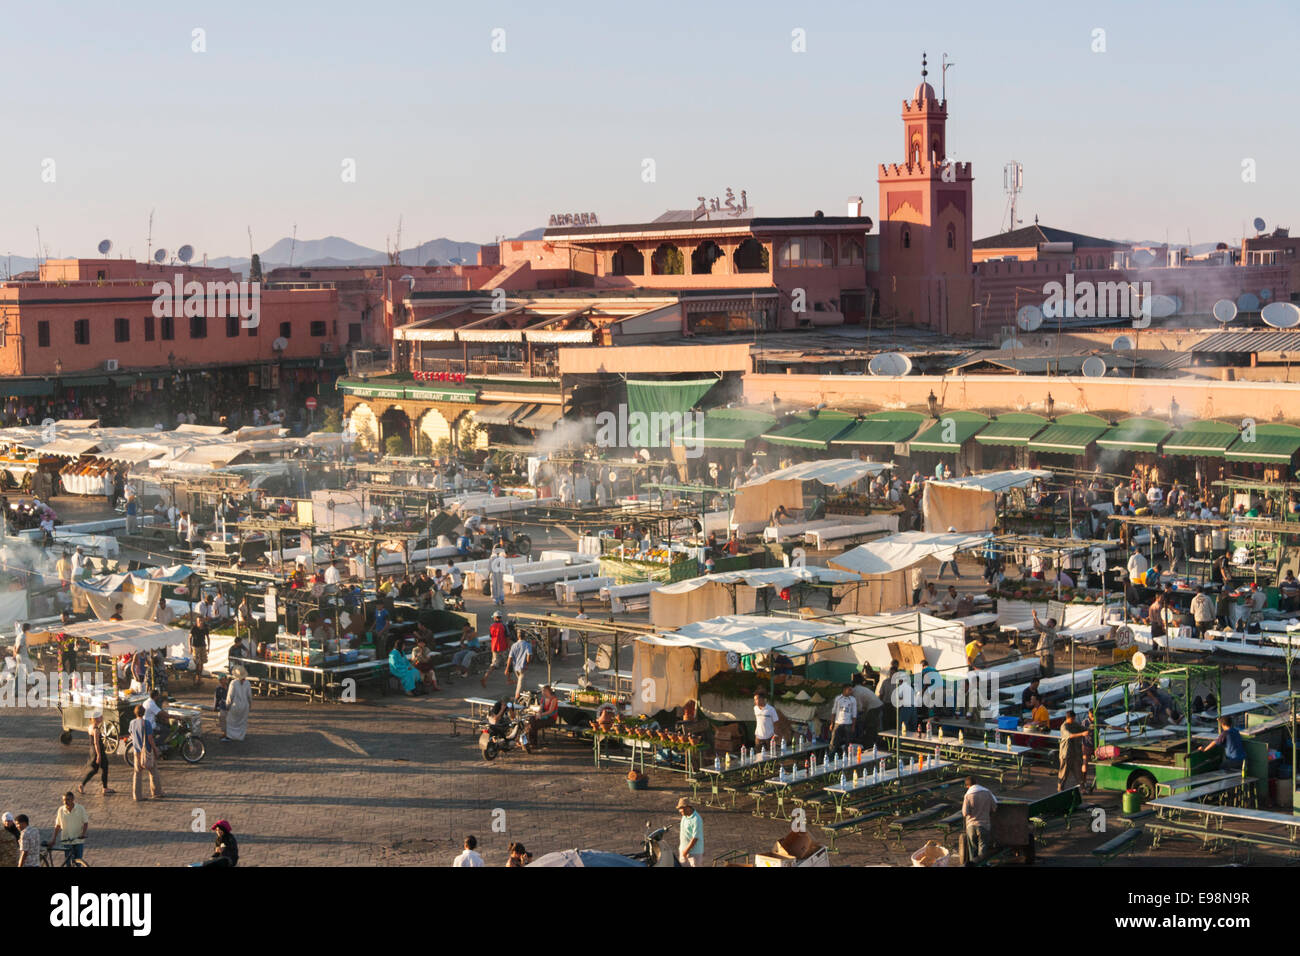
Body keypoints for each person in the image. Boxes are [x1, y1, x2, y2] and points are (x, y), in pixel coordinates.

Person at [128, 704, 162, 801]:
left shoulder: (132, 723)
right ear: (144, 713)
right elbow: (150, 738)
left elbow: (131, 733)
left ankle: (137, 795)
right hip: (146, 751)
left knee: (137, 773)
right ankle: (156, 792)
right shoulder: (146, 723)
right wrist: (155, 749)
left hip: (136, 751)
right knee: (153, 770)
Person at [961, 776, 997, 865]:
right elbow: (994, 808)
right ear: (976, 782)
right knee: (983, 849)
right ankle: (982, 864)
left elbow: (965, 813)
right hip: (984, 825)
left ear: (967, 786)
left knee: (973, 850)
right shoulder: (987, 792)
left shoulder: (968, 795)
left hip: (971, 826)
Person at [50, 791, 89, 867]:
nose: (65, 802)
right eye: (64, 800)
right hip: (66, 840)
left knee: (78, 862)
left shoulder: (80, 808)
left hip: (78, 840)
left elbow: (85, 822)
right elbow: (58, 825)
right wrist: (54, 838)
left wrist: (83, 834)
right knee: (68, 863)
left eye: (67, 800)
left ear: (73, 799)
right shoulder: (61, 810)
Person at [78, 714, 113, 796]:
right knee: (104, 767)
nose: (102, 717)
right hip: (98, 751)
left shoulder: (90, 726)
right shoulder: (96, 730)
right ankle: (105, 788)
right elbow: (96, 743)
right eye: (100, 717)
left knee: (95, 769)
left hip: (92, 750)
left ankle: (83, 785)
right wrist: (99, 755)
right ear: (96, 719)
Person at [1058, 710, 1088, 792]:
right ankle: (1060, 789)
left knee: (1078, 772)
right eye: (1073, 719)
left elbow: (1082, 728)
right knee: (1064, 773)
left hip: (1075, 752)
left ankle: (1082, 788)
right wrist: (1082, 734)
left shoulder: (1074, 724)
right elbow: (1070, 735)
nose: (1074, 720)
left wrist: (1089, 728)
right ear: (1069, 718)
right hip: (1066, 753)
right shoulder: (1064, 727)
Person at [481, 611, 510, 689]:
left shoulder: (492, 626)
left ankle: (485, 677)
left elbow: (491, 636)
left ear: (495, 617)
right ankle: (509, 679)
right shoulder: (504, 626)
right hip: (503, 647)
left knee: (493, 664)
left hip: (494, 647)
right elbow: (507, 637)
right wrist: (509, 647)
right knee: (508, 663)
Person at [224, 665, 252, 741]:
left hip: (235, 705)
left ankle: (230, 736)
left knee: (231, 722)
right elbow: (249, 696)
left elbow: (230, 697)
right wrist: (250, 705)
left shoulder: (233, 683)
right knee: (242, 722)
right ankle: (240, 736)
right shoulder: (247, 683)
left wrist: (227, 705)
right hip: (245, 705)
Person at [829, 684, 858, 755]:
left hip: (848, 723)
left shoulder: (853, 700)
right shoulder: (838, 698)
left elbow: (854, 713)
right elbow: (834, 711)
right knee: (834, 740)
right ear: (845, 690)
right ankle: (831, 754)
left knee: (848, 741)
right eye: (849, 690)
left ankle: (847, 755)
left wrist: (853, 726)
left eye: (851, 690)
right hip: (838, 723)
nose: (851, 691)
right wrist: (832, 723)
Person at [676, 797, 704, 867]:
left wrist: (686, 851)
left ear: (688, 807)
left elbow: (695, 838)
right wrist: (683, 850)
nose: (680, 811)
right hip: (683, 850)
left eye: (681, 809)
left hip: (694, 853)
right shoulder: (684, 816)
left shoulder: (696, 819)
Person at [506, 630, 532, 699]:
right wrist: (527, 664)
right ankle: (516, 700)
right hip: (523, 669)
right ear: (525, 636)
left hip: (516, 669)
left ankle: (521, 699)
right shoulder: (527, 645)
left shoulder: (514, 645)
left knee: (522, 685)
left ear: (517, 636)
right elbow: (529, 656)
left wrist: (507, 669)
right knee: (520, 687)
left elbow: (510, 658)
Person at [1031, 609, 1057, 677]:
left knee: (1047, 671)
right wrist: (1034, 618)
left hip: (1047, 654)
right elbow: (1036, 627)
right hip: (1042, 653)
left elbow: (1041, 626)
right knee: (1042, 670)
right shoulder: (1045, 630)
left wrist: (1035, 616)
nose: (1047, 622)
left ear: (1052, 624)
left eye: (1049, 622)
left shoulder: (1051, 631)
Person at [189, 618, 208, 687]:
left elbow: (207, 637)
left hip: (203, 646)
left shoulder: (205, 628)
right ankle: (197, 678)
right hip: (196, 647)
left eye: (202, 621)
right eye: (199, 621)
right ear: (197, 622)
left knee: (202, 662)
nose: (201, 622)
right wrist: (190, 647)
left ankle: (199, 678)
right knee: (197, 663)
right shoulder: (194, 628)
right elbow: (190, 637)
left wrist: (208, 647)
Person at [213, 674, 230, 738]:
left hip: (231, 706)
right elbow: (216, 698)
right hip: (223, 706)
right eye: (220, 680)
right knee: (222, 718)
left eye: (223, 680)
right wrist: (215, 706)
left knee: (230, 720)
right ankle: (225, 733)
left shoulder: (231, 687)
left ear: (226, 680)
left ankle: (231, 733)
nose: (222, 681)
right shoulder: (218, 688)